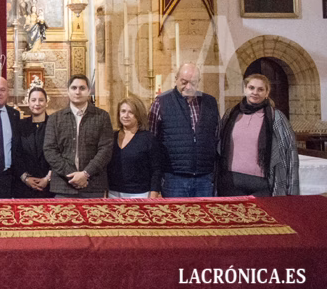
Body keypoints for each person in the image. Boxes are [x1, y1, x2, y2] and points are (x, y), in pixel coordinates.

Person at [217, 74, 299, 196]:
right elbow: (219, 143)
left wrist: (292, 190)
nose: (255, 92)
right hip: (231, 181)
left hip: (262, 184)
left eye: (260, 89)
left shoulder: (276, 117)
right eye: (251, 88)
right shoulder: (231, 114)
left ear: (267, 93)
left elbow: (290, 153)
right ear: (245, 89)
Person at [149, 63, 219, 198]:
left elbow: (216, 135)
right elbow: (152, 141)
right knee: (176, 217)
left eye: (193, 82)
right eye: (184, 82)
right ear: (176, 79)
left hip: (204, 177)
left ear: (198, 82)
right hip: (174, 177)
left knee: (203, 217)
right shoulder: (162, 102)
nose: (188, 87)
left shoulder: (210, 102)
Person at [44, 74, 114, 198]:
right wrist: (72, 175)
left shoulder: (102, 117)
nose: (78, 92)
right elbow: (50, 150)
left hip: (92, 186)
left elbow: (105, 149)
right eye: (74, 88)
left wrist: (86, 174)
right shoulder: (55, 118)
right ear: (68, 91)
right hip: (63, 186)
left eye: (82, 88)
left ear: (88, 91)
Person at [107, 96, 160, 198]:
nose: (126, 115)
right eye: (123, 111)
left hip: (139, 194)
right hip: (113, 193)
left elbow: (156, 170)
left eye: (131, 112)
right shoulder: (111, 137)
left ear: (138, 115)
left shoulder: (148, 139)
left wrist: (153, 196)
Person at [14, 87, 53, 198]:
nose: (37, 103)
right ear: (28, 102)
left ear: (46, 102)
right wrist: (25, 177)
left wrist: (48, 178)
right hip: (24, 186)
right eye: (33, 100)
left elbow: (60, 153)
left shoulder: (54, 124)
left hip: (50, 186)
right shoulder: (20, 125)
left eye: (41, 100)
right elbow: (16, 154)